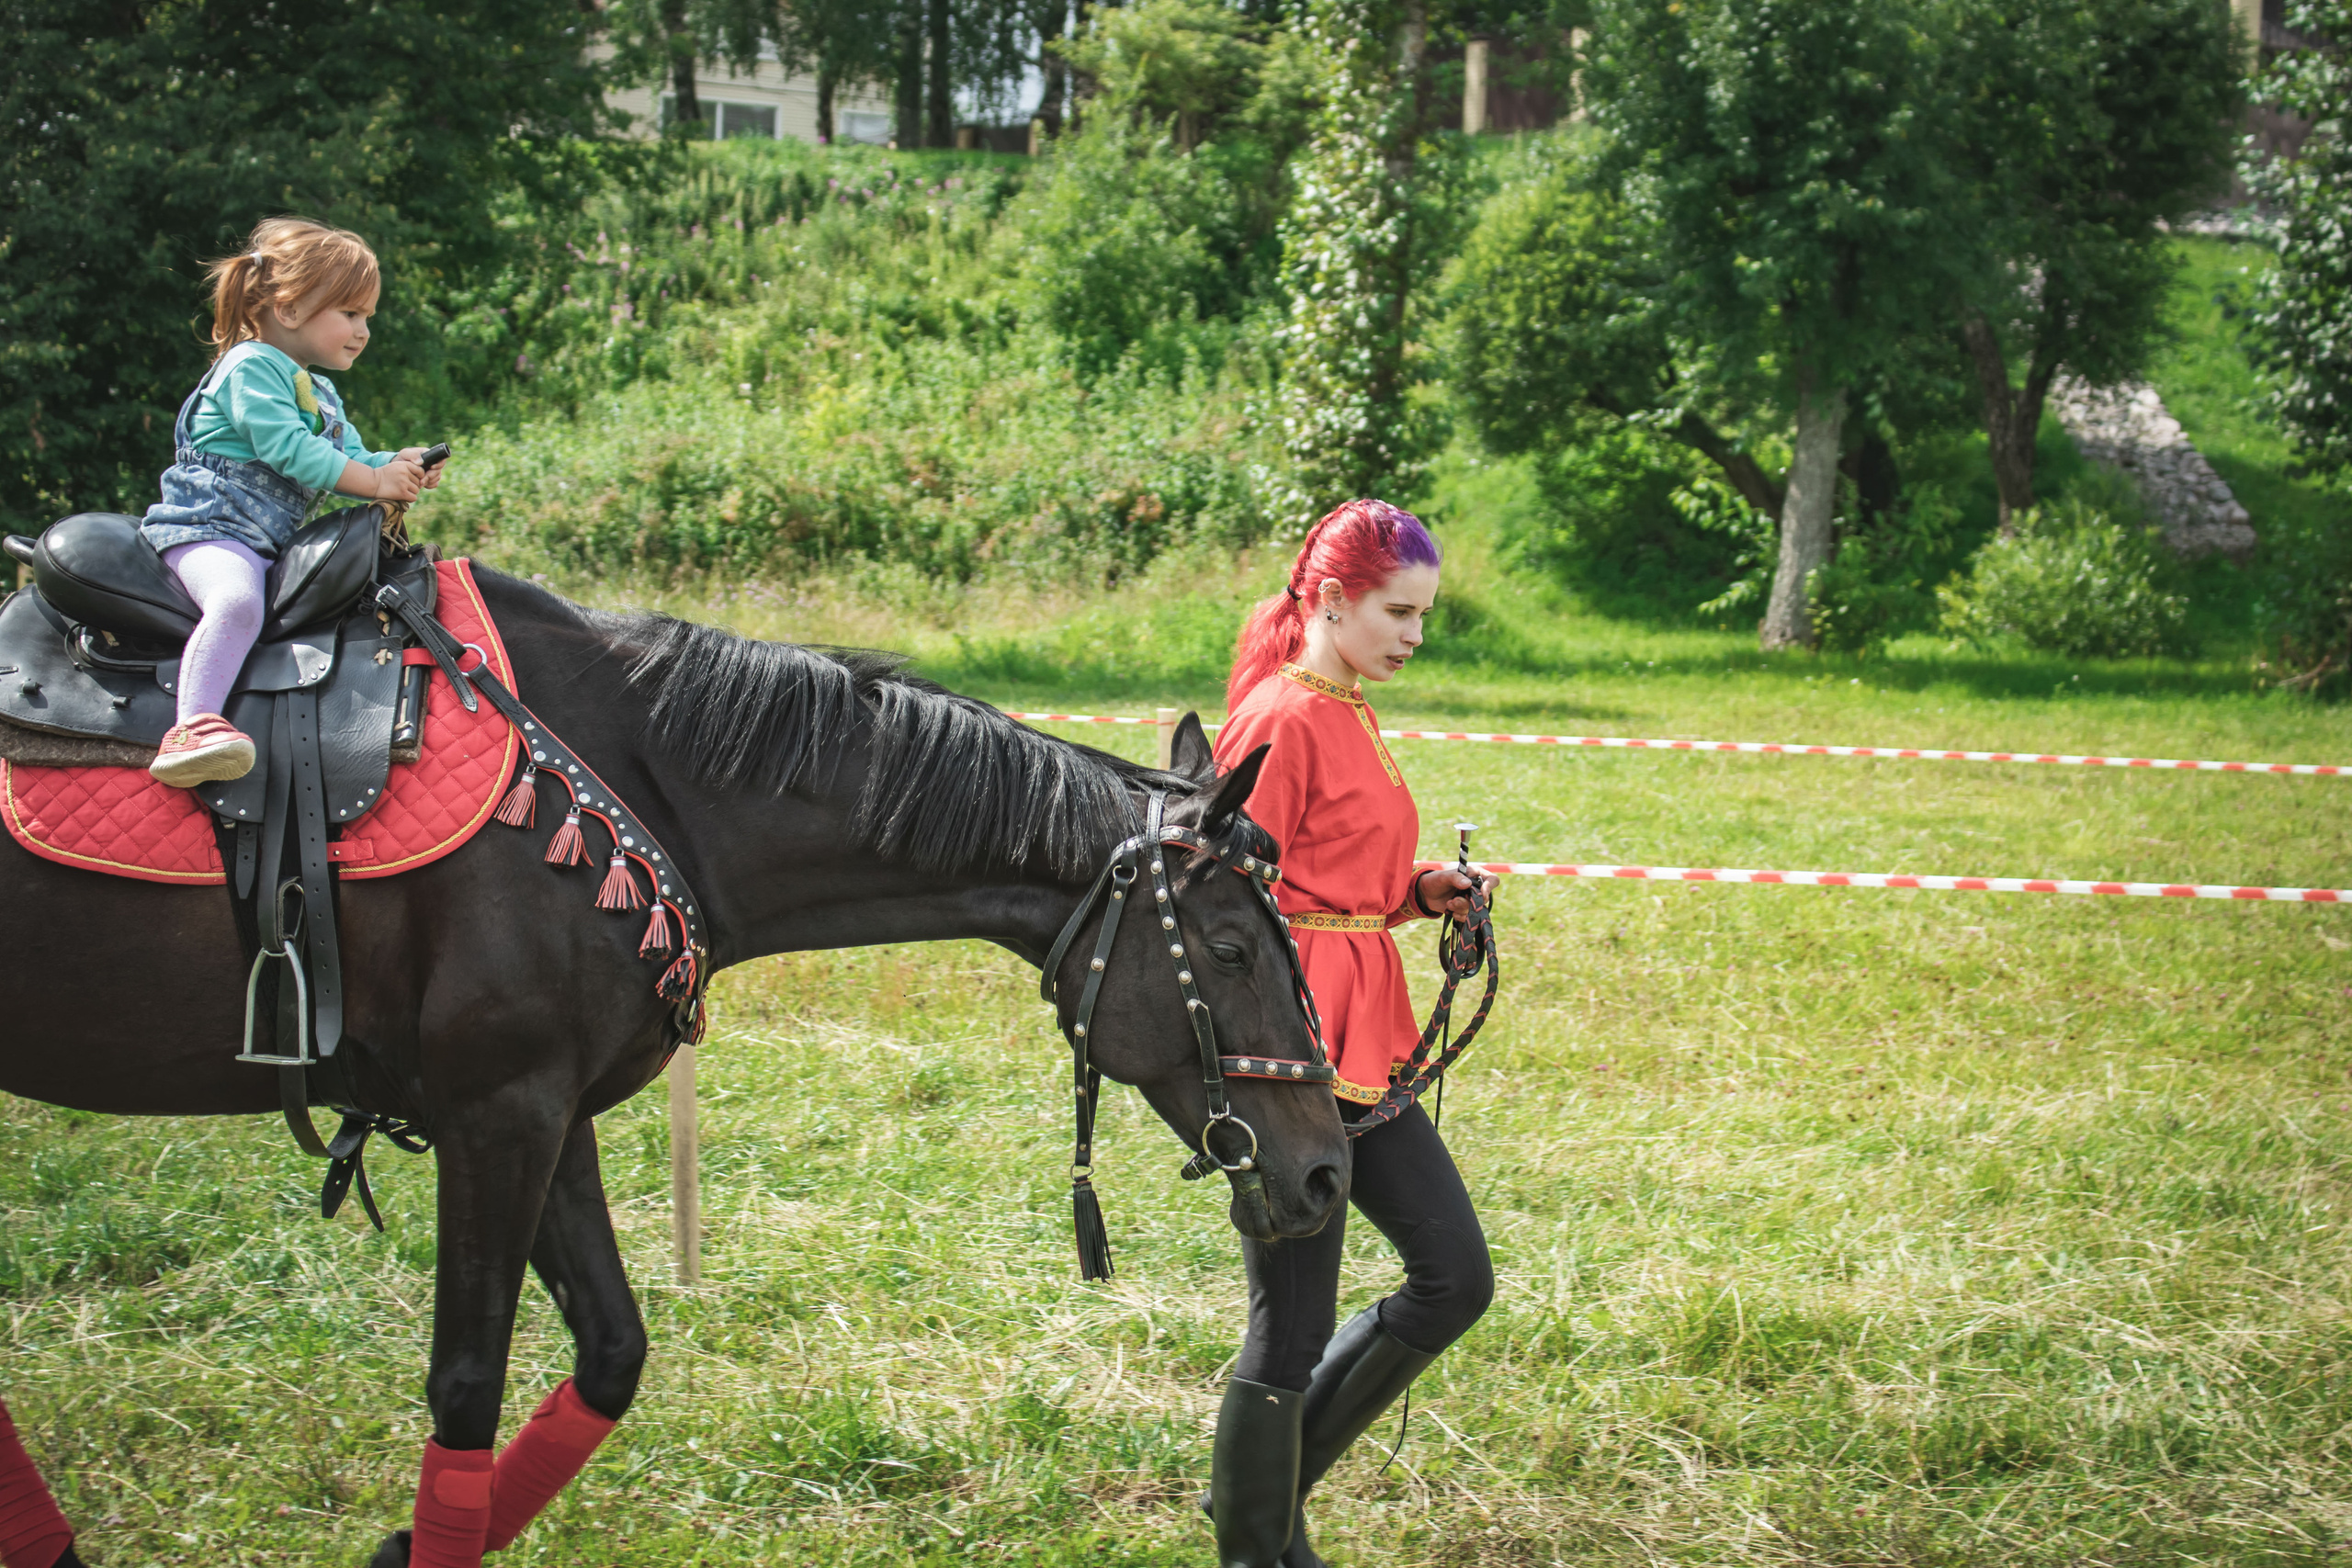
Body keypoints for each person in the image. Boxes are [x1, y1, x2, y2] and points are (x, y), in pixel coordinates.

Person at [1204, 498, 1499, 1568]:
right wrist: (1255, 1063)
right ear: (1330, 601)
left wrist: (1420, 894)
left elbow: (1340, 879)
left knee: (1454, 1275)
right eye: (1397, 612)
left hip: (1363, 1046)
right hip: (1288, 1054)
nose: (1414, 635)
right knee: (1291, 1320)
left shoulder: (1349, 705)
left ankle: (1264, 1514)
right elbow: (1219, 901)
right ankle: (1259, 1546)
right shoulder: (1282, 717)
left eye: (1423, 614)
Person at [140, 218, 444, 788]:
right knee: (235, 603)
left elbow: (349, 456)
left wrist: (396, 465)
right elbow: (290, 451)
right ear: (290, 309)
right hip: (209, 531)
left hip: (264, 542)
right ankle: (191, 726)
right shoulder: (249, 367)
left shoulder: (319, 390)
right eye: (350, 314)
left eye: (367, 318)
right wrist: (374, 483)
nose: (363, 331)